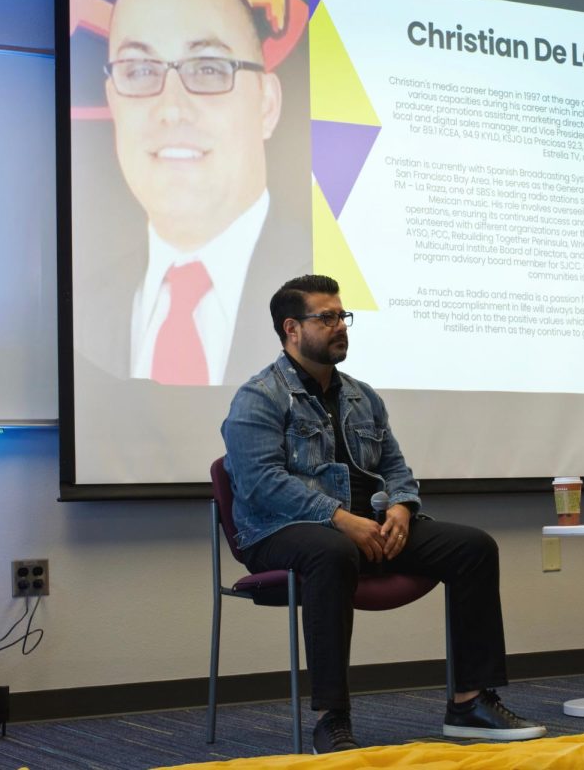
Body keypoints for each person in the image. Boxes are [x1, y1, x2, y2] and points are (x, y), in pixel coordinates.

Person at [220, 275, 546, 753]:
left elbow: (395, 466)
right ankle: (332, 718)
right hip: (279, 530)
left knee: (473, 547)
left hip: (365, 528)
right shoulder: (259, 397)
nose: (340, 326)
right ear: (291, 329)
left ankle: (469, 702)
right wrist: (337, 517)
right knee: (331, 552)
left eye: (342, 316)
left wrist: (401, 506)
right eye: (325, 317)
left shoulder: (361, 396)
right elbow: (259, 483)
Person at [84, 0, 308, 386]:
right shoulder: (80, 312)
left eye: (207, 68)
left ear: (267, 104)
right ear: (113, 102)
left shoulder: (336, 297)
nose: (171, 109)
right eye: (139, 70)